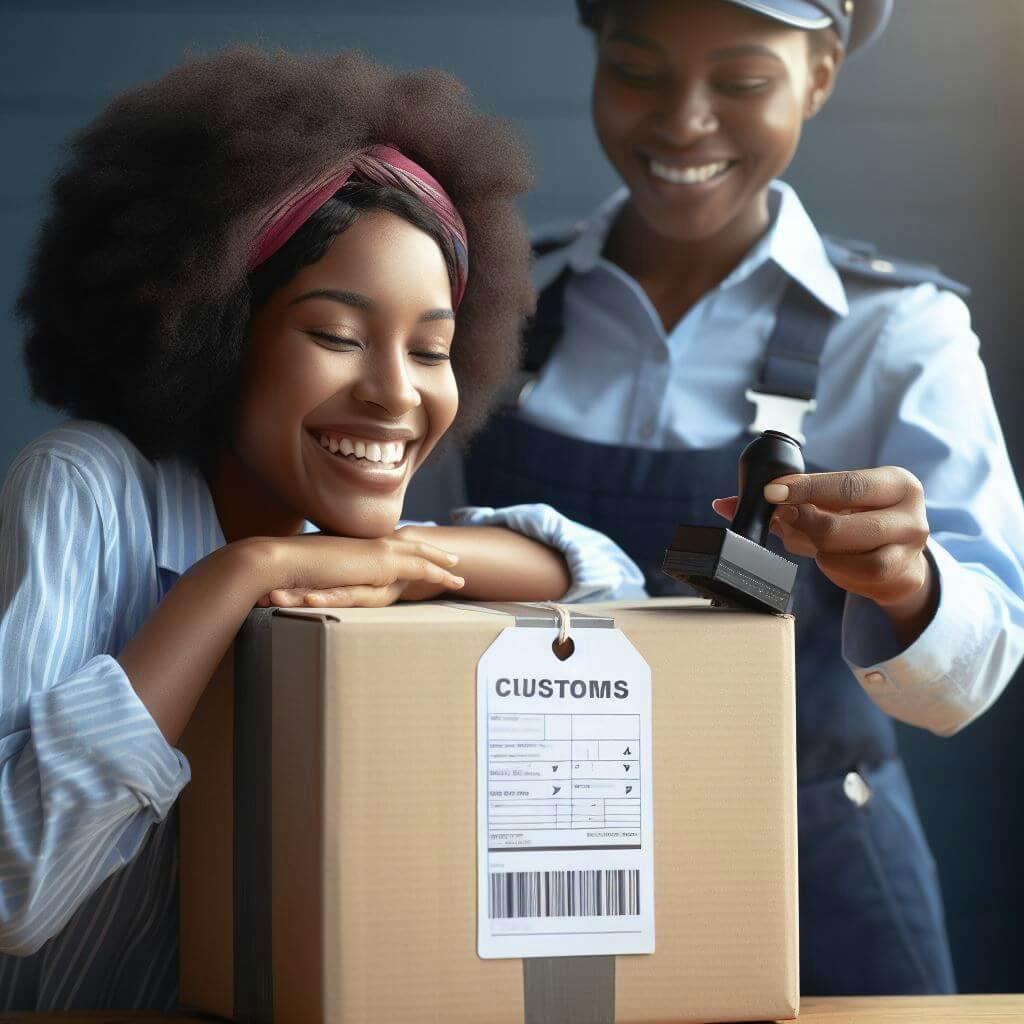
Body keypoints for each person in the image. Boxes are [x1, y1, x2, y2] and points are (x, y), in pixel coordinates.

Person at [0, 48, 644, 1010]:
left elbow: (612, 590)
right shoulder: (84, 488)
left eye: (431, 349)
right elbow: (15, 889)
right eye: (338, 336)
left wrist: (388, 556)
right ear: (216, 332)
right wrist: (240, 576)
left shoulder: (340, 549)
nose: (395, 394)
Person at [452, 0, 1024, 996]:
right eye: (637, 69)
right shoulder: (491, 303)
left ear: (820, 76)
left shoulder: (897, 334)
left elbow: (975, 672)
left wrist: (907, 582)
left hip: (815, 871)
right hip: (526, 863)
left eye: (743, 82)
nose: (682, 119)